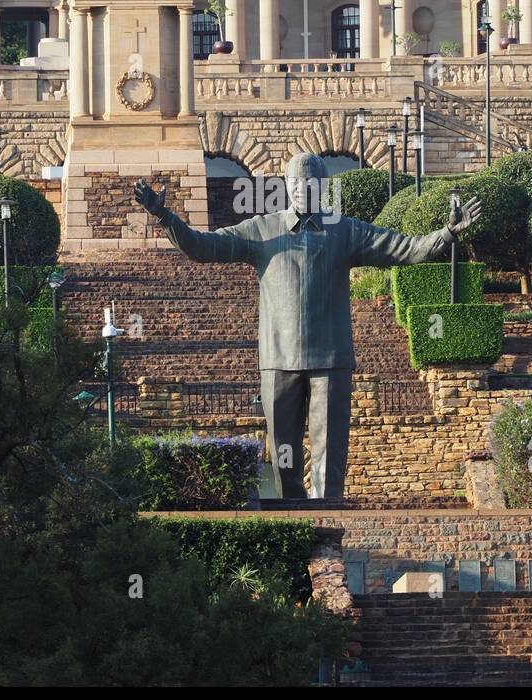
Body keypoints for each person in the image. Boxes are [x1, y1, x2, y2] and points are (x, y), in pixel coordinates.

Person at [133, 153, 480, 499]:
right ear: (286, 185)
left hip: (329, 358)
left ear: (322, 186)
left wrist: (447, 234)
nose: (303, 188)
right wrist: (164, 216)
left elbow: (404, 248)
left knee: (329, 447)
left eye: (310, 181)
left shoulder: (344, 230)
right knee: (284, 449)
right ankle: (292, 510)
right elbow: (202, 247)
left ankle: (326, 509)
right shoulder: (261, 230)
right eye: (296, 181)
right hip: (278, 358)